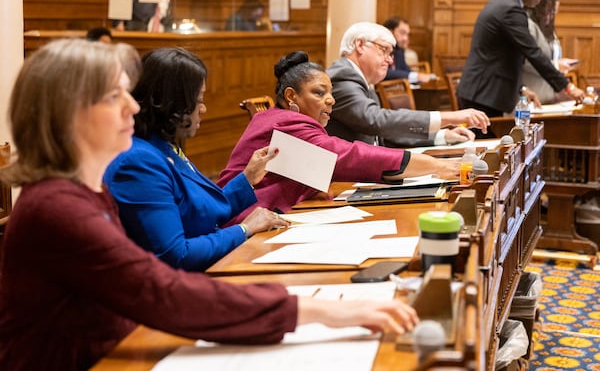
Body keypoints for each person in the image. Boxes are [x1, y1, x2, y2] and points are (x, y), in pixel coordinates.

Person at [0, 38, 419, 370]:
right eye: (114, 96)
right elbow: (161, 289)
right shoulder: (58, 207)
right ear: (70, 115)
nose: (132, 105)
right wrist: (322, 312)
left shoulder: (79, 191)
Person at [218, 51, 461, 223]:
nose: (331, 100)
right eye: (319, 92)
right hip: (238, 221)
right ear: (291, 96)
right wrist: (438, 166)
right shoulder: (285, 123)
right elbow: (350, 156)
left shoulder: (283, 118)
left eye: (330, 92)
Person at [103, 47, 289, 271]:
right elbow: (176, 255)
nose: (203, 108)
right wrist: (244, 229)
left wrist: (248, 178)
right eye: (198, 100)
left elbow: (200, 211)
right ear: (171, 104)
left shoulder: (164, 146)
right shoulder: (139, 162)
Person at [325, 21, 490, 148]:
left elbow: (385, 132)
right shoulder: (342, 77)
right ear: (360, 45)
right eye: (384, 50)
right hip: (346, 181)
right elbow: (375, 120)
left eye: (391, 53)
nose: (390, 60)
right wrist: (449, 117)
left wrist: (442, 136)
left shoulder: (359, 79)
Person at [458, 0, 584, 126]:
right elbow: (532, 53)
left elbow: (502, 57)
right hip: (484, 93)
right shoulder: (511, 9)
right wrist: (568, 87)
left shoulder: (503, 3)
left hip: (481, 91)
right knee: (488, 146)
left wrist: (521, 89)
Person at [522, 0, 575, 104]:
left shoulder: (547, 28)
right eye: (549, 11)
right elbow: (527, 61)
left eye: (554, 12)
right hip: (531, 96)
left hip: (549, 95)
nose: (551, 17)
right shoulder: (527, 25)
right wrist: (556, 65)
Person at [381, 16, 432, 84]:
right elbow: (385, 72)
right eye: (402, 33)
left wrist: (419, 76)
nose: (406, 38)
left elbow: (404, 68)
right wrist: (415, 76)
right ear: (390, 31)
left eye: (407, 34)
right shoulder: (380, 48)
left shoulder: (399, 49)